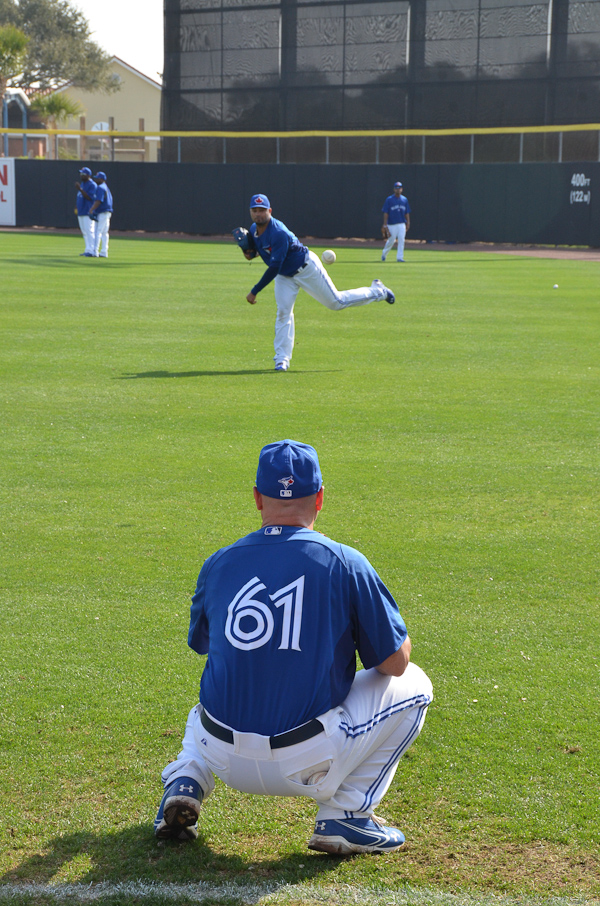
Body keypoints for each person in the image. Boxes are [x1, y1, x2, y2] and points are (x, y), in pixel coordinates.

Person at [154, 439, 433, 855]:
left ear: (256, 498)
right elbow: (395, 664)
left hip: (221, 755)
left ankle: (187, 776)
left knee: (213, 692)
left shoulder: (219, 562)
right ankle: (345, 815)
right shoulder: (345, 561)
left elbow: (206, 644)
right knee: (416, 684)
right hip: (308, 761)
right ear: (319, 497)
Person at [242, 194, 396, 372]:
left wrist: (255, 291)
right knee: (283, 313)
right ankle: (282, 359)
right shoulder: (254, 229)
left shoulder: (278, 232)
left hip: (306, 268)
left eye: (262, 210)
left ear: (270, 211)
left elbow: (274, 266)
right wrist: (250, 253)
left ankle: (378, 291)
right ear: (250, 212)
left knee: (337, 302)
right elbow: (263, 249)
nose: (258, 214)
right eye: (255, 210)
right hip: (285, 276)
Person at [381, 182, 411, 263]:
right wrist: (385, 224)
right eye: (396, 188)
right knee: (391, 241)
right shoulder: (389, 199)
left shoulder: (404, 199)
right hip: (392, 224)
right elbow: (386, 212)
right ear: (394, 189)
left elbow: (407, 212)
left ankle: (399, 257)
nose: (398, 189)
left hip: (401, 223)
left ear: (402, 189)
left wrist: (408, 222)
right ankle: (384, 253)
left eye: (399, 188)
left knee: (401, 240)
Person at [89, 171, 113, 258]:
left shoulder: (101, 188)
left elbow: (98, 201)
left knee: (97, 232)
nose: (96, 179)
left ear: (102, 179)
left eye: (98, 178)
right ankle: (104, 252)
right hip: (107, 212)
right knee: (104, 233)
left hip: (102, 212)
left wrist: (91, 209)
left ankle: (95, 252)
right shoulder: (105, 187)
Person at [74, 167, 97, 257]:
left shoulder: (92, 185)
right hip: (81, 210)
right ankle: (88, 249)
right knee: (84, 231)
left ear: (88, 175)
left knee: (89, 231)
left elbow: (90, 197)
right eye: (80, 173)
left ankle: (92, 250)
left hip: (88, 211)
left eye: (83, 174)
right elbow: (80, 196)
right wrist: (77, 206)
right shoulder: (83, 184)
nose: (81, 175)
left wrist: (80, 189)